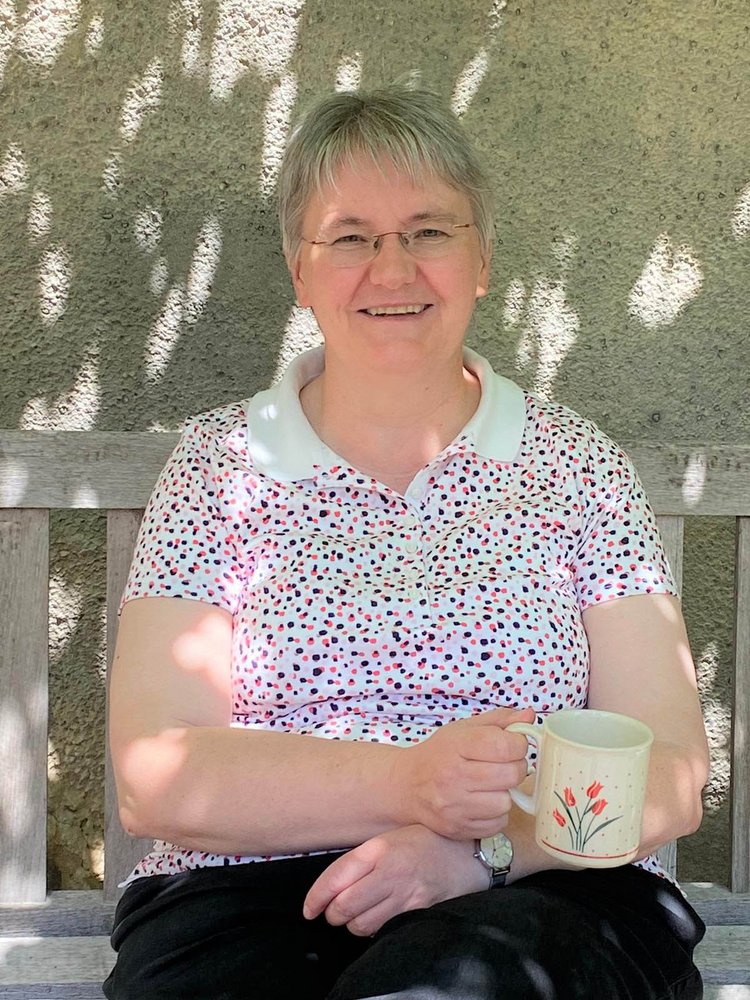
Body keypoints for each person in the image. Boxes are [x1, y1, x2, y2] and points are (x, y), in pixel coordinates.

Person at [103, 86, 709, 1000]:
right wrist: (411, 784)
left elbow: (671, 770)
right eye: (350, 237)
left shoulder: (578, 466)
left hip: (546, 888)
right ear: (300, 272)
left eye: (429, 231)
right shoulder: (219, 467)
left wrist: (484, 852)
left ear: (482, 260)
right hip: (251, 892)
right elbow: (157, 774)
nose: (392, 269)